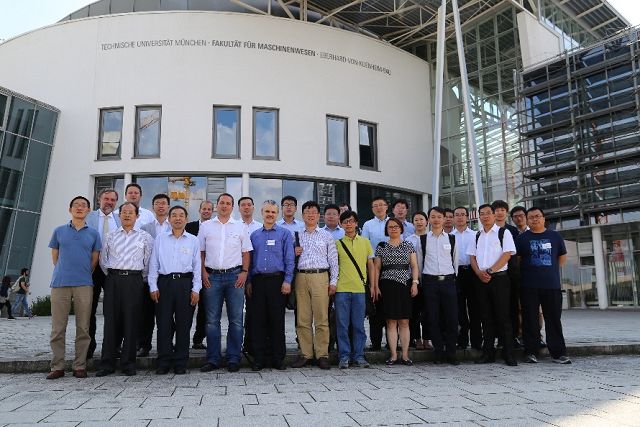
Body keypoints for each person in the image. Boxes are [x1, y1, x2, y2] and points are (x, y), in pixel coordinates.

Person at [96, 202, 154, 377]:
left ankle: (128, 363)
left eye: (131, 212)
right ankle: (107, 363)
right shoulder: (110, 236)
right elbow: (103, 262)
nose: (127, 215)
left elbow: (148, 263)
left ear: (137, 216)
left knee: (131, 321)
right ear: (119, 215)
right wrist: (115, 275)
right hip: (113, 280)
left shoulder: (145, 237)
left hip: (134, 280)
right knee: (111, 321)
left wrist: (136, 277)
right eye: (124, 212)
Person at [46, 196, 101, 380]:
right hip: (60, 283)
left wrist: (82, 272)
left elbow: (94, 260)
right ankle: (57, 366)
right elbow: (55, 257)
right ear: (70, 209)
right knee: (58, 328)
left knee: (83, 327)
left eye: (83, 205)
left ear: (88, 211)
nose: (79, 207)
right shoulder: (59, 231)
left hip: (84, 284)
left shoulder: (93, 233)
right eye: (76, 205)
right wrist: (65, 271)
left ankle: (79, 365)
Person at [199, 193, 252, 373]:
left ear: (232, 207)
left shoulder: (240, 226)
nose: (224, 206)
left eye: (228, 203)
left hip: (235, 277)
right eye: (222, 202)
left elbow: (246, 252)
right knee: (212, 321)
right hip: (212, 277)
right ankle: (213, 359)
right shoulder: (206, 226)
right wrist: (203, 272)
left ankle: (233, 358)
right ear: (217, 205)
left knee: (236, 320)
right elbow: (201, 252)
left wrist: (244, 272)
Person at [148, 205, 201, 375]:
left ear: (186, 219)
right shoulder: (160, 239)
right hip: (164, 283)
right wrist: (153, 286)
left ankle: (180, 362)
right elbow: (153, 264)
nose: (178, 218)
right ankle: (163, 361)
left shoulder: (193, 240)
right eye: (174, 215)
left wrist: (196, 289)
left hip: (185, 284)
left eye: (181, 215)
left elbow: (197, 267)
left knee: (184, 325)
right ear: (169, 219)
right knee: (163, 324)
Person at [516, 207, 571, 364]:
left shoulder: (555, 236)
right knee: (530, 320)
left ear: (543, 218)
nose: (535, 219)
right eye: (531, 217)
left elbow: (561, 258)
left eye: (537, 216)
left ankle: (558, 353)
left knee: (553, 319)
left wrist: (549, 271)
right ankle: (530, 352)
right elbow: (518, 261)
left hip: (551, 285)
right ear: (527, 220)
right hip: (529, 286)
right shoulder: (521, 239)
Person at [246, 200, 295, 371]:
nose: (270, 215)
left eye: (273, 212)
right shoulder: (254, 235)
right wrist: (249, 281)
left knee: (277, 320)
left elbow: (289, 259)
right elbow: (250, 261)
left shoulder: (285, 234)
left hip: (277, 282)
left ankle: (278, 358)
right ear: (262, 213)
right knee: (258, 321)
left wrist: (287, 281)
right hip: (258, 282)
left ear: (277, 214)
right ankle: (259, 359)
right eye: (267, 211)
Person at [290, 201, 339, 370]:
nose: (310, 215)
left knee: (321, 318)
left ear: (319, 216)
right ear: (302, 215)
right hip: (301, 277)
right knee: (302, 318)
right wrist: (293, 252)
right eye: (307, 212)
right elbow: (288, 259)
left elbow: (333, 261)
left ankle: (322, 355)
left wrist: (333, 282)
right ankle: (306, 354)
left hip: (320, 277)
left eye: (313, 212)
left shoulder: (326, 236)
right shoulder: (296, 235)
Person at [468, 204, 518, 366]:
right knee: (485, 317)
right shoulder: (477, 235)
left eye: (488, 213)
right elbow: (472, 257)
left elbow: (507, 254)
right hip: (481, 280)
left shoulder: (504, 232)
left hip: (499, 279)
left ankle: (508, 354)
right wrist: (479, 273)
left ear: (494, 215)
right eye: (482, 214)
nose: (485, 216)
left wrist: (490, 271)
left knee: (503, 316)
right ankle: (488, 353)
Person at [373, 218, 419, 366]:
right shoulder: (381, 246)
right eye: (390, 227)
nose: (393, 229)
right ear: (386, 230)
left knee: (404, 321)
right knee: (391, 321)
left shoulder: (408, 245)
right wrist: (376, 286)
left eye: (396, 226)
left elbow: (414, 266)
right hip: (387, 285)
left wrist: (415, 283)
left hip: (405, 285)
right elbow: (377, 268)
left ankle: (405, 355)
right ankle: (393, 355)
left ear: (401, 229)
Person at [335, 210, 374, 369]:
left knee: (359, 325)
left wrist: (373, 286)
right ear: (341, 224)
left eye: (351, 221)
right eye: (345, 222)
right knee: (342, 325)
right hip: (341, 289)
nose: (349, 224)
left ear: (357, 223)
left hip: (360, 289)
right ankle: (344, 356)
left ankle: (359, 356)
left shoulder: (365, 242)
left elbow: (370, 265)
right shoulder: (337, 243)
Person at [85, 188, 120, 358]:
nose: (109, 202)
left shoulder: (120, 219)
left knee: (114, 310)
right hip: (91, 269)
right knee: (89, 309)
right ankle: (88, 346)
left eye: (113, 200)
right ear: (99, 199)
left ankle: (113, 346)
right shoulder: (88, 217)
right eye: (106, 199)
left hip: (112, 269)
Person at [422, 207, 459, 365]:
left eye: (439, 217)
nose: (436, 220)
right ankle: (438, 351)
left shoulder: (451, 238)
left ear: (444, 219)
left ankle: (451, 352)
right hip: (430, 282)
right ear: (429, 220)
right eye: (433, 217)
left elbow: (455, 261)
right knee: (433, 317)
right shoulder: (423, 239)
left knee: (452, 318)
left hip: (448, 281)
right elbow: (420, 261)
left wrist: (452, 278)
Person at [138, 193, 172, 357]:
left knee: (167, 315)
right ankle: (144, 345)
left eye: (163, 203)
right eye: (157, 203)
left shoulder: (175, 226)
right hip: (148, 277)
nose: (161, 206)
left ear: (168, 207)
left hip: (167, 277)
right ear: (153, 207)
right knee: (146, 314)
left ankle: (166, 345)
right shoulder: (145, 228)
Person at [493, 200, 522, 349]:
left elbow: (515, 253)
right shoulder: (488, 230)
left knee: (512, 306)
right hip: (494, 274)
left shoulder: (512, 230)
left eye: (502, 210)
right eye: (497, 210)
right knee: (496, 307)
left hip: (511, 273)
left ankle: (514, 336)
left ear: (506, 212)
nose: (499, 213)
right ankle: (499, 337)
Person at [451, 206, 481, 351]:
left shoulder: (476, 235)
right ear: (453, 218)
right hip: (457, 274)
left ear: (467, 217)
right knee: (459, 309)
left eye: (463, 214)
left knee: (475, 308)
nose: (460, 217)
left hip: (473, 272)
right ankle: (462, 341)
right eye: (457, 215)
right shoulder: (449, 236)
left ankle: (477, 342)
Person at [186, 200, 214, 350]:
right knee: (188, 307)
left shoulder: (215, 227)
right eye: (204, 208)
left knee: (204, 308)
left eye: (209, 209)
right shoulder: (189, 227)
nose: (206, 211)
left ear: (212, 211)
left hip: (207, 273)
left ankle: (198, 339)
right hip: (190, 273)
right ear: (199, 210)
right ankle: (183, 339)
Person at [361, 196, 389, 351]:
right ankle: (376, 342)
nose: (379, 208)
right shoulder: (368, 224)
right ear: (372, 209)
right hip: (372, 267)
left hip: (391, 268)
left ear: (387, 207)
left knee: (390, 307)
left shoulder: (393, 223)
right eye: (375, 205)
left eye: (381, 205)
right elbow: (364, 246)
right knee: (375, 305)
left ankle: (392, 342)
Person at [405, 212, 431, 350]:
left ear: (427, 222)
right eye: (416, 220)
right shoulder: (408, 240)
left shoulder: (432, 237)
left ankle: (427, 338)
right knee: (414, 311)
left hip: (430, 279)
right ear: (413, 223)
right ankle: (417, 338)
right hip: (413, 279)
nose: (419, 222)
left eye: (421, 219)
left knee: (428, 311)